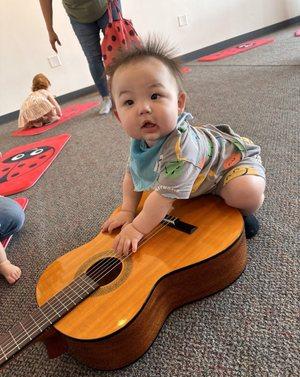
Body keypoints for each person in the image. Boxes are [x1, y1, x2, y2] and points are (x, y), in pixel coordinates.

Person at [101, 39, 266, 256]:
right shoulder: (140, 141)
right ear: (119, 117)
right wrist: (127, 210)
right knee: (171, 187)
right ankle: (192, 187)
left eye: (154, 96)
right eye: (129, 102)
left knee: (245, 193)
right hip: (198, 175)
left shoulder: (181, 150)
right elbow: (132, 175)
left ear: (179, 103)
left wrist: (137, 228)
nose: (143, 108)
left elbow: (161, 199)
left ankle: (243, 215)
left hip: (228, 163)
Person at [39, 0, 119, 115]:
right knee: (93, 58)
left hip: (105, 6)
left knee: (116, 53)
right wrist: (50, 30)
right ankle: (106, 98)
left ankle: (125, 91)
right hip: (79, 17)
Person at [0, 196, 25, 284]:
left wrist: (3, 263)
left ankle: (2, 263)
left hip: (10, 216)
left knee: (13, 214)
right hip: (8, 208)